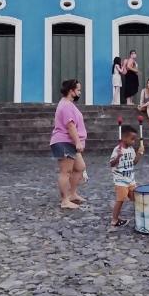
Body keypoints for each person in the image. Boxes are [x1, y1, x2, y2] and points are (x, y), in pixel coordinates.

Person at [50, 78, 87, 210]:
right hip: (64, 141)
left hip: (69, 141)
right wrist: (77, 142)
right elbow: (70, 126)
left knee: (80, 167)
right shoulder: (65, 105)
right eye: (78, 90)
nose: (80, 92)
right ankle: (65, 200)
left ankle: (72, 194)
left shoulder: (69, 104)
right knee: (66, 171)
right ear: (71, 91)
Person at [109, 124, 142, 227]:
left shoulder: (131, 149)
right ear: (123, 138)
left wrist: (139, 153)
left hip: (131, 179)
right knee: (120, 200)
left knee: (136, 197)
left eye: (134, 139)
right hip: (120, 180)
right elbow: (111, 164)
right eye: (132, 139)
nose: (133, 141)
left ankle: (141, 215)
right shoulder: (117, 150)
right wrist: (118, 157)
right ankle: (114, 219)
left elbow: (134, 162)